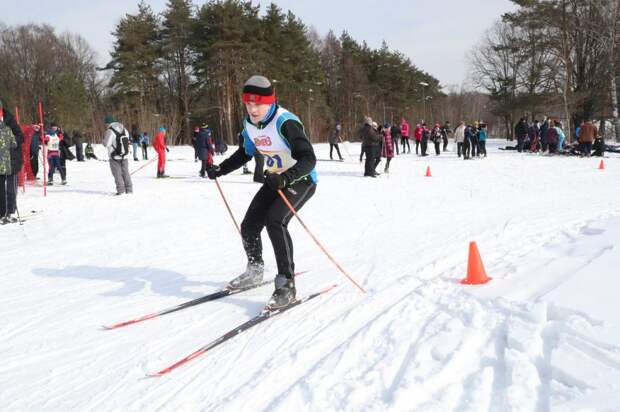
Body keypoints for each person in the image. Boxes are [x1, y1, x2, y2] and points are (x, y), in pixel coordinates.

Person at [206, 75, 317, 309]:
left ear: (270, 101)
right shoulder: (249, 124)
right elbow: (245, 153)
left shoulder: (285, 122)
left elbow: (309, 159)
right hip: (275, 180)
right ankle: (254, 269)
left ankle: (286, 284)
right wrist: (221, 169)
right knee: (249, 225)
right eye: (248, 103)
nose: (253, 109)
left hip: (301, 180)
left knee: (275, 221)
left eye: (258, 104)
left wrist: (286, 177)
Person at [0, 103, 23, 224]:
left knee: (11, 189)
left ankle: (10, 211)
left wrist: (10, 143)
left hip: (11, 160)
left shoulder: (9, 119)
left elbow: (21, 137)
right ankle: (1, 213)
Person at [102, 115, 133, 195]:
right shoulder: (124, 129)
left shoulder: (110, 130)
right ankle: (129, 189)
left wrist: (103, 140)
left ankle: (121, 191)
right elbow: (128, 140)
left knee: (117, 174)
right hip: (124, 155)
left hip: (114, 156)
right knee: (126, 172)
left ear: (108, 123)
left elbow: (107, 144)